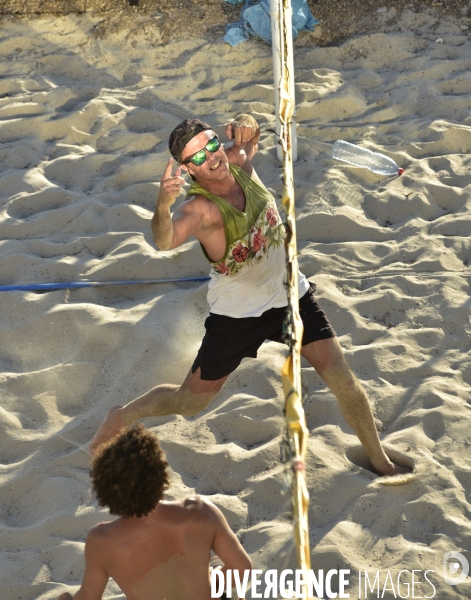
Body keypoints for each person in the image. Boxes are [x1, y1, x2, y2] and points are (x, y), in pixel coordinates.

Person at [90, 113, 406, 477]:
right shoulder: (199, 210)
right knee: (190, 402)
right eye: (199, 157)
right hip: (237, 318)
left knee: (344, 382)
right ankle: (122, 414)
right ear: (187, 170)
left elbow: (250, 135)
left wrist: (247, 121)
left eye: (211, 144)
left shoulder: (236, 160)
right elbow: (163, 242)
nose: (212, 156)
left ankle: (379, 460)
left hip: (290, 297)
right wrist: (163, 204)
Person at [58, 424, 251, 600]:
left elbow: (89, 598)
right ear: (159, 472)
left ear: (106, 490)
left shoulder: (101, 540)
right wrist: (211, 579)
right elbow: (242, 569)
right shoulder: (200, 512)